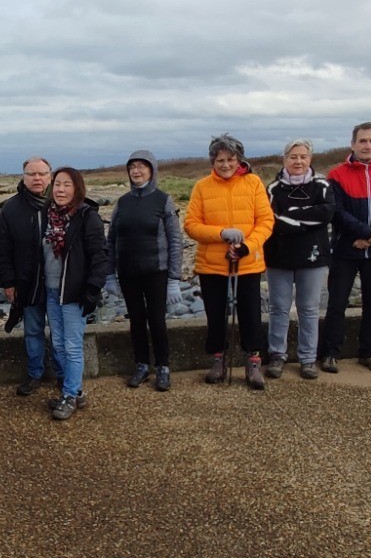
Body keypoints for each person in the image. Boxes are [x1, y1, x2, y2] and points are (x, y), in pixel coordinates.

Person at [184, 134, 274, 389]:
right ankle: (218, 360)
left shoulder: (253, 183)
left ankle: (253, 361)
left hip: (247, 263)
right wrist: (221, 233)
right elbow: (191, 225)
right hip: (212, 264)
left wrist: (247, 246)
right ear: (213, 161)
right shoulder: (202, 187)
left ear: (239, 159)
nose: (225, 164)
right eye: (220, 160)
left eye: (230, 159)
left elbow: (266, 221)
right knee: (215, 315)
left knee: (250, 314)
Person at [320, 123, 371, 374]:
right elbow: (337, 212)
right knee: (337, 303)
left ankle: (370, 352)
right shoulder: (337, 174)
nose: (368, 146)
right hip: (345, 249)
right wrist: (365, 233)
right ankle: (330, 353)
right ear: (353, 144)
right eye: (363, 141)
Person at [107, 150, 181, 391]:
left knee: (157, 321)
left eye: (141, 166)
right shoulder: (122, 202)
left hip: (156, 271)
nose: (136, 171)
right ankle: (141, 364)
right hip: (128, 273)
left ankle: (163, 366)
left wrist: (174, 279)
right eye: (132, 167)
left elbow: (175, 240)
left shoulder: (163, 200)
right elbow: (111, 240)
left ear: (152, 170)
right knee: (136, 320)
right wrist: (109, 275)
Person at [262, 140, 333, 381]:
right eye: (293, 157)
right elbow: (271, 220)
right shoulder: (273, 189)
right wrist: (304, 221)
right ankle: (277, 355)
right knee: (278, 309)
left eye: (303, 156)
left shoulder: (322, 185)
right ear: (284, 159)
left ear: (310, 159)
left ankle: (307, 358)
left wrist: (290, 216)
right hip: (278, 257)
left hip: (313, 257)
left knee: (309, 309)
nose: (298, 161)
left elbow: (325, 214)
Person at [40, 167, 107, 420]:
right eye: (57, 184)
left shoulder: (88, 217)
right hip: (51, 290)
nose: (60, 190)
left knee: (72, 346)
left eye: (67, 185)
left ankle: (69, 395)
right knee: (58, 344)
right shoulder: (47, 215)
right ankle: (76, 391)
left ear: (77, 188)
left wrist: (92, 289)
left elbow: (99, 256)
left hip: (74, 292)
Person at [0, 157, 55, 395]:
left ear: (50, 176)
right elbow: (3, 251)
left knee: (60, 333)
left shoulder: (61, 203)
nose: (37, 178)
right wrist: (8, 282)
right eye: (31, 174)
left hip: (58, 283)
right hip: (27, 283)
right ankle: (34, 374)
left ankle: (63, 375)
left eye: (42, 173)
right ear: (24, 177)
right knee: (32, 330)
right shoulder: (11, 209)